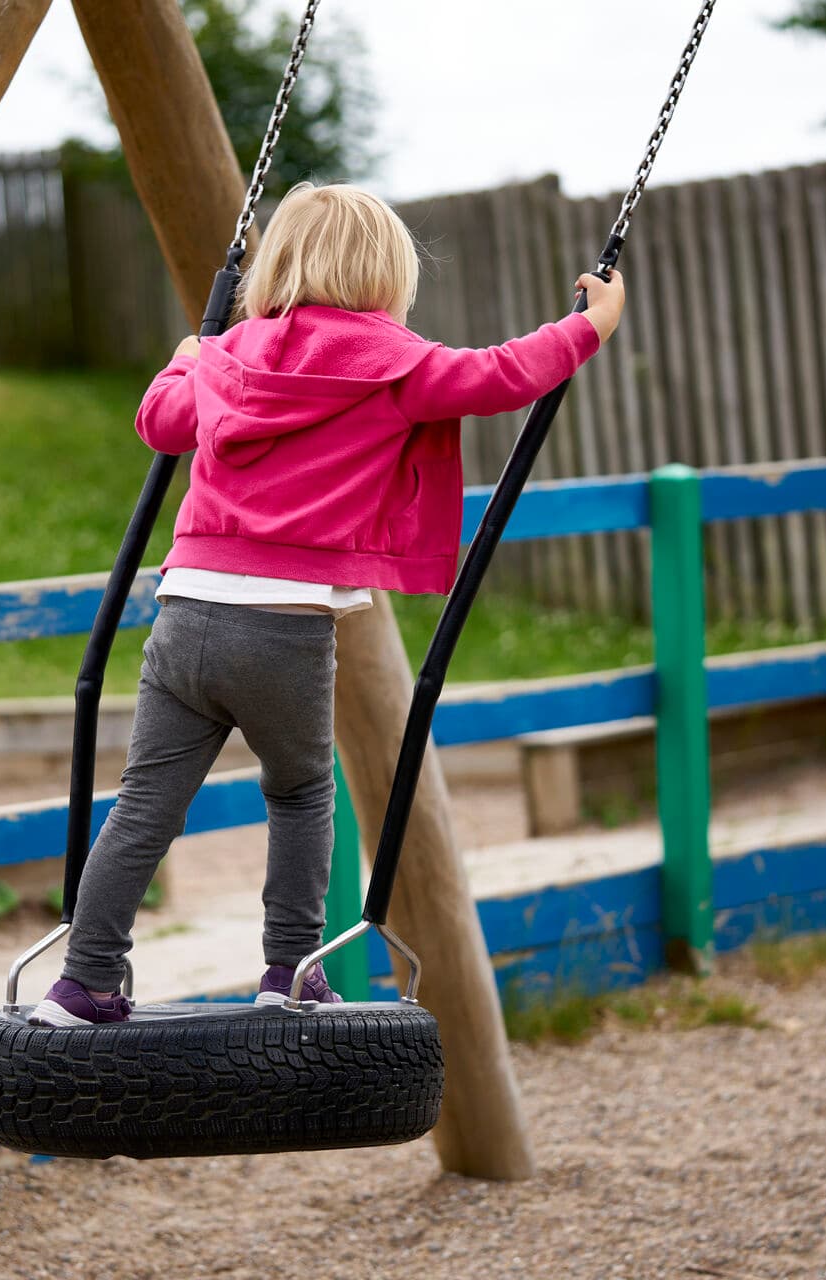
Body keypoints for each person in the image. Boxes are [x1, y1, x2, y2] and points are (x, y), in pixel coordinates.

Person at [36, 182, 625, 1026]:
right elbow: (502, 375)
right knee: (303, 793)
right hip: (283, 628)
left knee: (145, 804)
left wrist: (186, 357)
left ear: (278, 266)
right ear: (386, 277)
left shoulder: (231, 353)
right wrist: (590, 326)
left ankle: (84, 979)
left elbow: (161, 423)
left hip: (185, 613)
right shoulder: (395, 362)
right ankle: (291, 973)